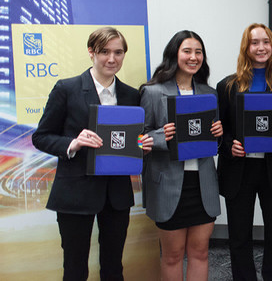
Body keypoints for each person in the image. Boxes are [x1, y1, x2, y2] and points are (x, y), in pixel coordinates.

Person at [32, 27, 154, 280]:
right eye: (105, 52)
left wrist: (142, 145)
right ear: (91, 52)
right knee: (75, 268)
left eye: (118, 52)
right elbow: (41, 137)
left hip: (116, 195)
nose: (112, 59)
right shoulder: (67, 88)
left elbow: (131, 142)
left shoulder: (132, 95)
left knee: (113, 267)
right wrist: (73, 143)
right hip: (75, 193)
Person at [140, 30, 222, 281]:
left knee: (200, 253)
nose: (193, 57)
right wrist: (163, 136)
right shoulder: (152, 92)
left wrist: (218, 134)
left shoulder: (209, 92)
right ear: (174, 54)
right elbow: (140, 138)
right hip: (169, 185)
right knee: (172, 256)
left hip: (202, 183)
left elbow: (211, 141)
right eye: (187, 51)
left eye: (198, 52)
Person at [216, 23, 272, 281]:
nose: (261, 47)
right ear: (246, 48)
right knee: (239, 236)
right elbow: (220, 131)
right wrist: (229, 146)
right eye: (254, 42)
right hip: (239, 170)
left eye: (266, 41)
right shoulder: (227, 86)